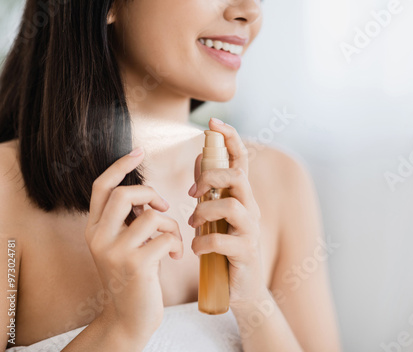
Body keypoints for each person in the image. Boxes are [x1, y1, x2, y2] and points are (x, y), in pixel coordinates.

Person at [0, 0, 341, 350]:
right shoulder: (6, 189)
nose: (249, 11)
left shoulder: (280, 180)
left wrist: (255, 302)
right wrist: (120, 327)